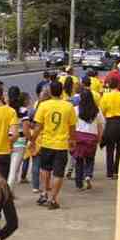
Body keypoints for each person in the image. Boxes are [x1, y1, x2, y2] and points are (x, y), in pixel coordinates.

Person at [30, 80, 77, 210]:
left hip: (46, 143)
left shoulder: (44, 105)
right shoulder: (68, 106)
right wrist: (72, 140)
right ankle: (53, 199)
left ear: (50, 91)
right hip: (61, 145)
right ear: (62, 91)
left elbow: (38, 126)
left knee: (45, 169)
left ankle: (45, 192)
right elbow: (72, 126)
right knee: (58, 173)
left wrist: (33, 139)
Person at [99, 78, 120, 179]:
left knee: (110, 149)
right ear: (118, 85)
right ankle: (117, 171)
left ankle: (109, 173)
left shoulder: (105, 97)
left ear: (109, 86)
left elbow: (102, 112)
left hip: (111, 123)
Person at [72, 90, 104, 190]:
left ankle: (79, 184)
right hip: (92, 137)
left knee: (79, 160)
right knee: (90, 159)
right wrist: (99, 138)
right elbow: (100, 126)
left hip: (79, 136)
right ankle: (88, 175)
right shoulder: (97, 110)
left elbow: (71, 125)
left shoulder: (75, 109)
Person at [7, 90, 32, 187]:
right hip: (20, 141)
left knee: (6, 169)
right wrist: (31, 139)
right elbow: (26, 130)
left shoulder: (6, 109)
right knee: (14, 171)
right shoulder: (23, 111)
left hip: (6, 140)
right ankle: (9, 193)